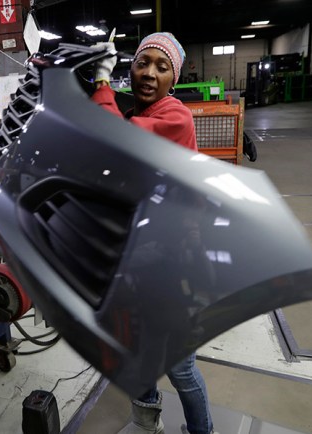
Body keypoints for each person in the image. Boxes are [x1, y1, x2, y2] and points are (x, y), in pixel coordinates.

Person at [90, 33, 215, 434]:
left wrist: (101, 84)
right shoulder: (134, 114)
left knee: (180, 368)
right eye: (143, 62)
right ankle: (147, 423)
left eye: (162, 68)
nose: (148, 73)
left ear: (173, 79)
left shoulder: (175, 117)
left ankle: (202, 431)